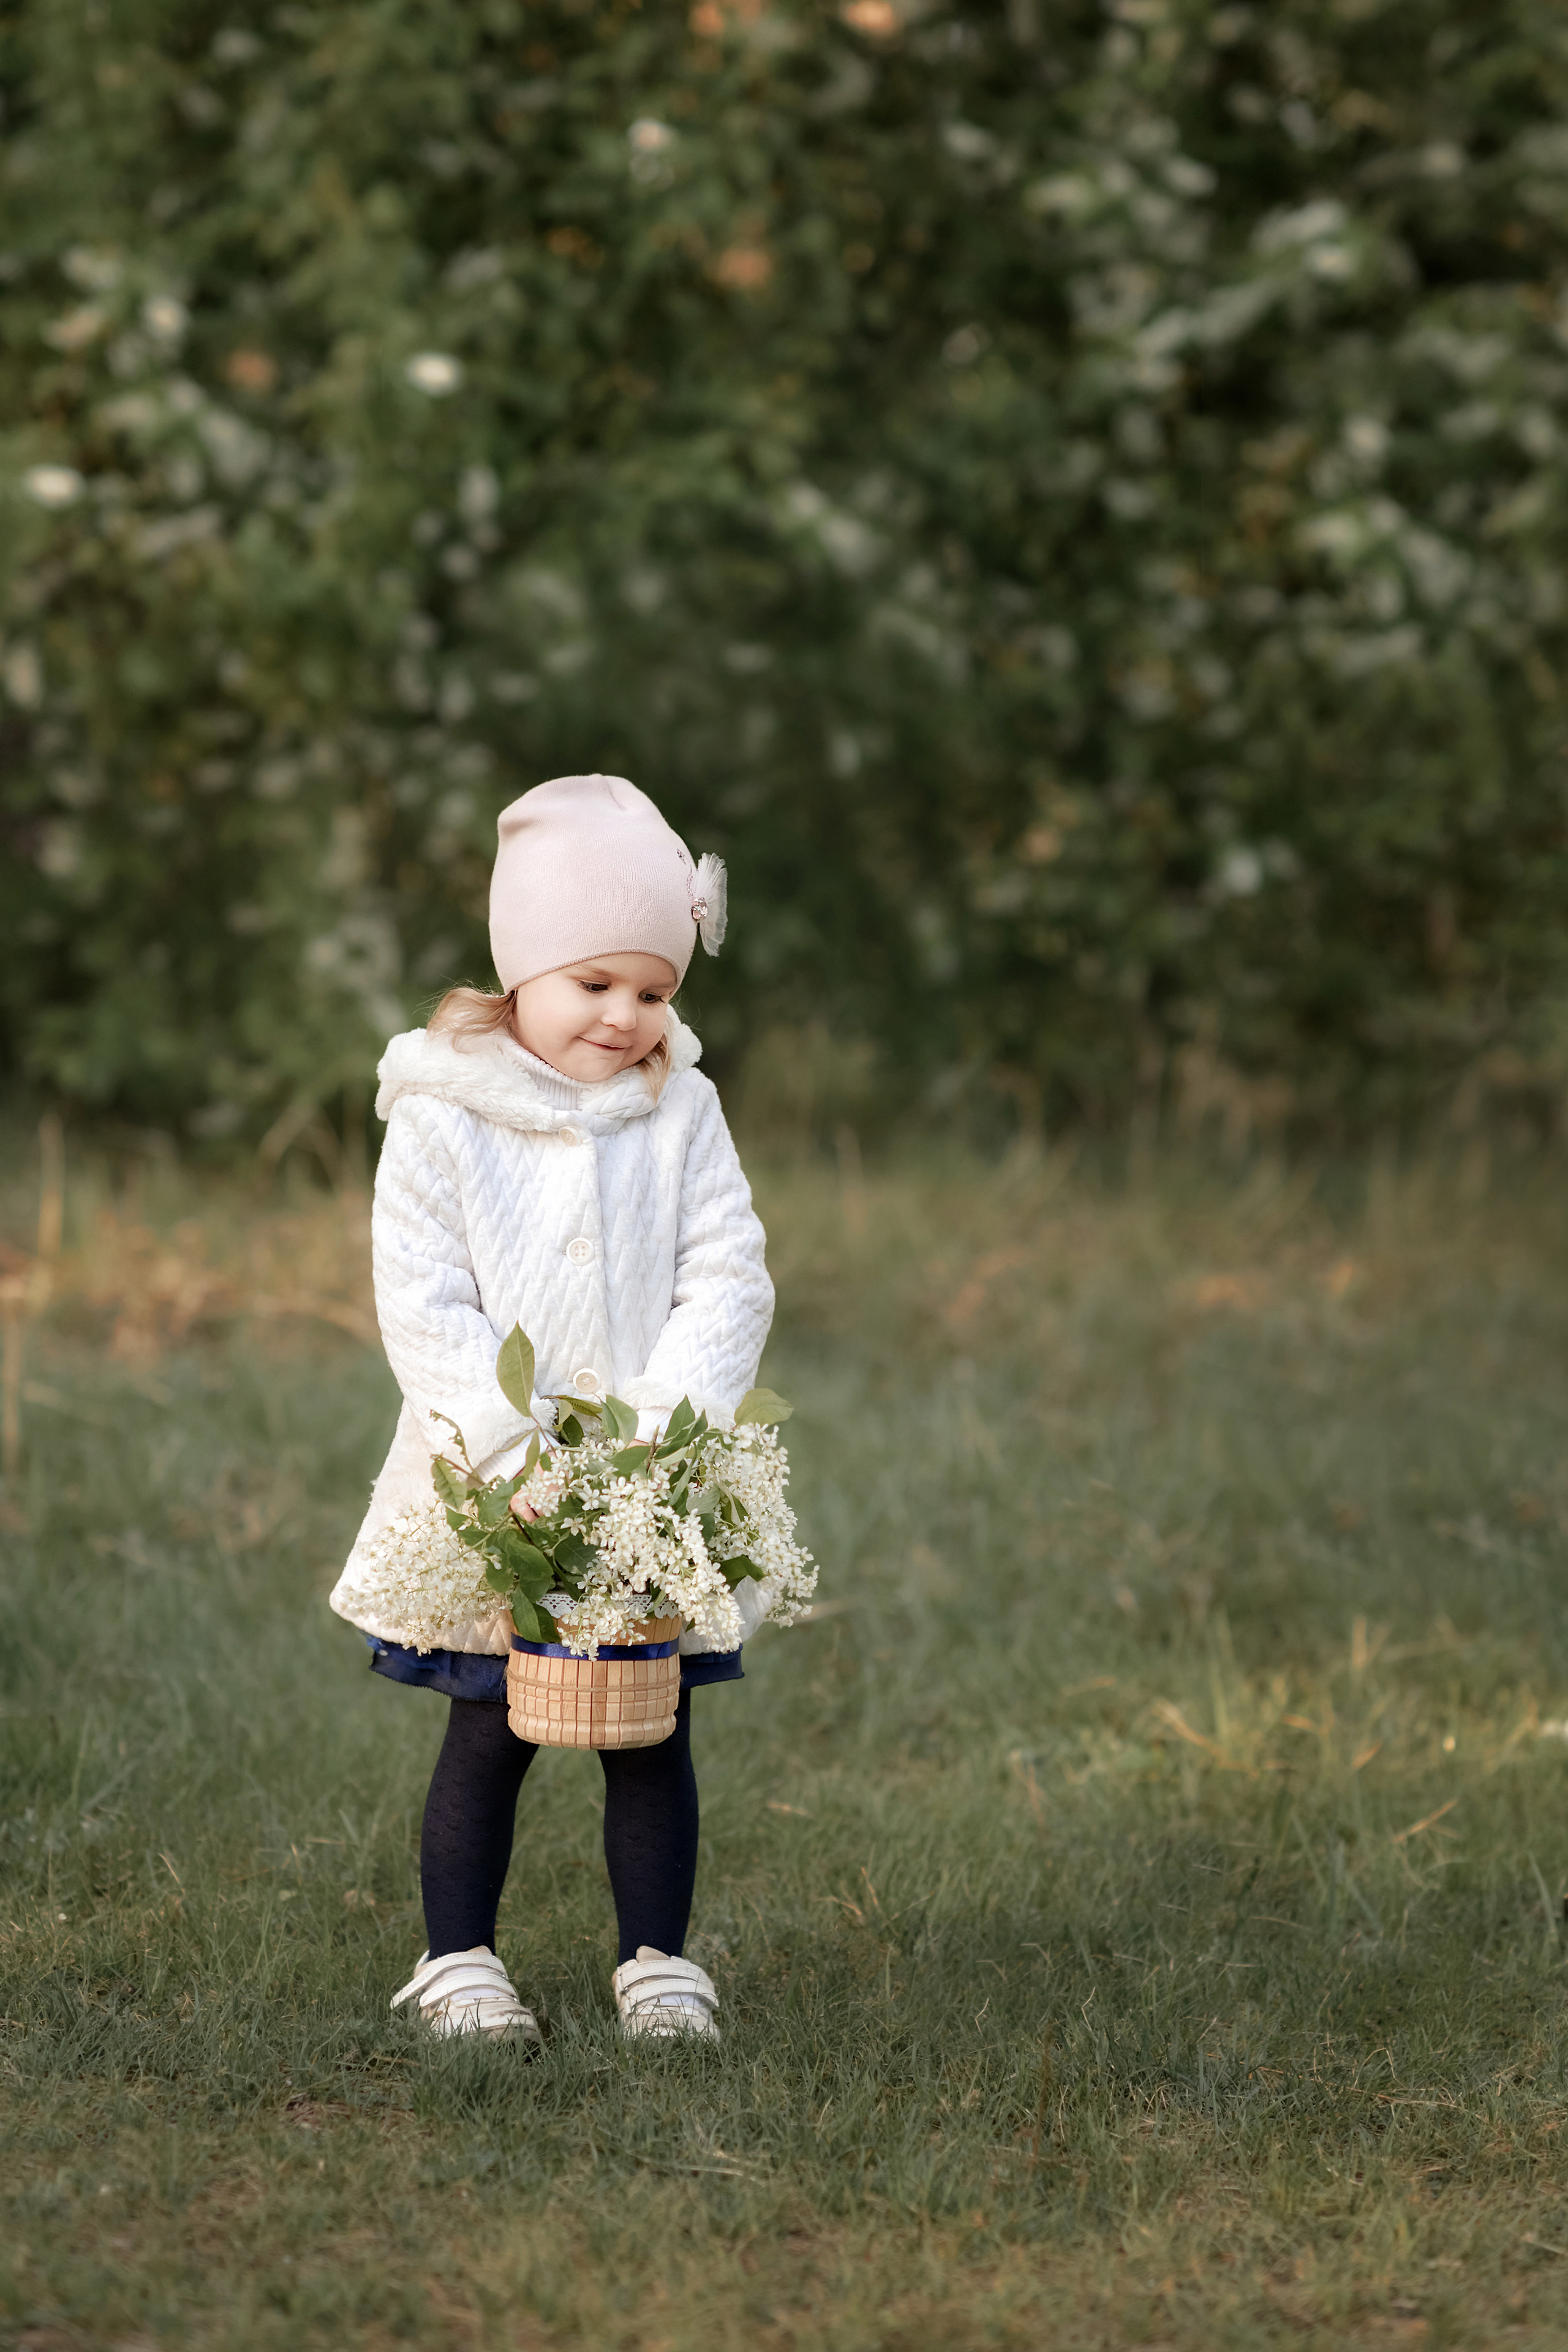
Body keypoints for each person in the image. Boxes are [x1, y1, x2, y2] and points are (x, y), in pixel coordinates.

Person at [329, 774, 774, 2045]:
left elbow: (727, 1273)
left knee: (648, 1727)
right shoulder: (443, 1115)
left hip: (646, 1486)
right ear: (521, 970)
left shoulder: (681, 1110)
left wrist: (657, 1444)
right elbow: (425, 1301)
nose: (627, 1017)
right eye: (595, 983)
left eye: (656, 992)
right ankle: (457, 1961)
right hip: (493, 1485)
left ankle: (657, 1964)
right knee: (491, 1724)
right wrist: (508, 1453)